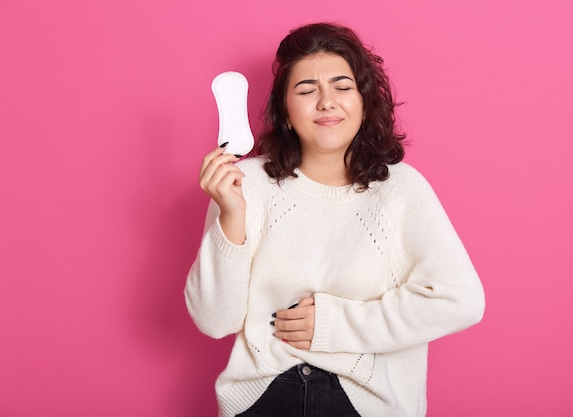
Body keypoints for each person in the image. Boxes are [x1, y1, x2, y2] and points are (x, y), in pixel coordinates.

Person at [185, 22, 485, 417]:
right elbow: (213, 320)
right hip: (262, 397)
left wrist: (335, 324)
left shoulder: (401, 190)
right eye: (307, 90)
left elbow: (461, 300)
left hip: (366, 401)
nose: (326, 101)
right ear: (286, 113)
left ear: (363, 102)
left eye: (342, 87)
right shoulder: (247, 185)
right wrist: (231, 214)